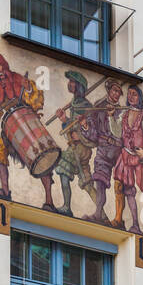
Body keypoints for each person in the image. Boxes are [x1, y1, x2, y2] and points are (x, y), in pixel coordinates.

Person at [0, 51, 58, 209]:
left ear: (4, 65)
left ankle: (49, 199)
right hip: (10, 128)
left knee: (41, 154)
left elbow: (35, 97)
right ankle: (6, 191)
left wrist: (28, 90)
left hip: (28, 123)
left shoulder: (18, 79)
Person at [112, 84, 143, 233]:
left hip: (139, 157)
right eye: (129, 94)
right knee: (119, 186)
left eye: (134, 94)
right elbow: (116, 131)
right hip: (125, 155)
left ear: (139, 97)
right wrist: (110, 117)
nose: (130, 96)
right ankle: (119, 219)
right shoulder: (124, 115)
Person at [49, 71, 96, 216]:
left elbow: (92, 132)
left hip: (81, 148)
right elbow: (72, 128)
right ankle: (103, 214)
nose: (70, 84)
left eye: (73, 82)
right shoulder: (75, 103)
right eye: (69, 81)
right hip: (77, 147)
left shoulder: (85, 106)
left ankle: (67, 207)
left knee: (63, 169)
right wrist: (64, 120)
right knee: (86, 182)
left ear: (79, 86)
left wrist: (80, 132)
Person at [85, 79, 126, 226]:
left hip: (118, 150)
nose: (116, 94)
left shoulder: (122, 111)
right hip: (103, 148)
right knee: (100, 181)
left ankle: (119, 218)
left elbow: (123, 132)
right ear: (109, 91)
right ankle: (98, 213)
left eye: (118, 92)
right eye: (114, 91)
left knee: (121, 184)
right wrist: (85, 126)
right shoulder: (98, 107)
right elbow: (92, 132)